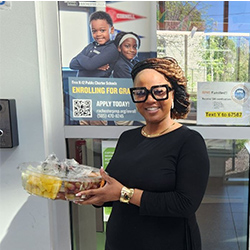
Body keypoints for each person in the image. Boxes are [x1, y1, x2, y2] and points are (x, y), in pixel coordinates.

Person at [75, 57, 210, 250]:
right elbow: (111, 190)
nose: (150, 99)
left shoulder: (189, 142)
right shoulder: (128, 138)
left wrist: (124, 193)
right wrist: (90, 187)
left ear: (173, 94)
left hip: (167, 243)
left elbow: (185, 204)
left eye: (159, 91)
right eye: (141, 92)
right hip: (121, 241)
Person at [69, 11, 119, 77]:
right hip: (81, 86)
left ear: (112, 30)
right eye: (94, 31)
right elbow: (72, 64)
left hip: (97, 86)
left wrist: (80, 57)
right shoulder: (90, 46)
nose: (98, 34)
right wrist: (95, 66)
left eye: (102, 30)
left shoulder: (112, 49)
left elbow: (90, 65)